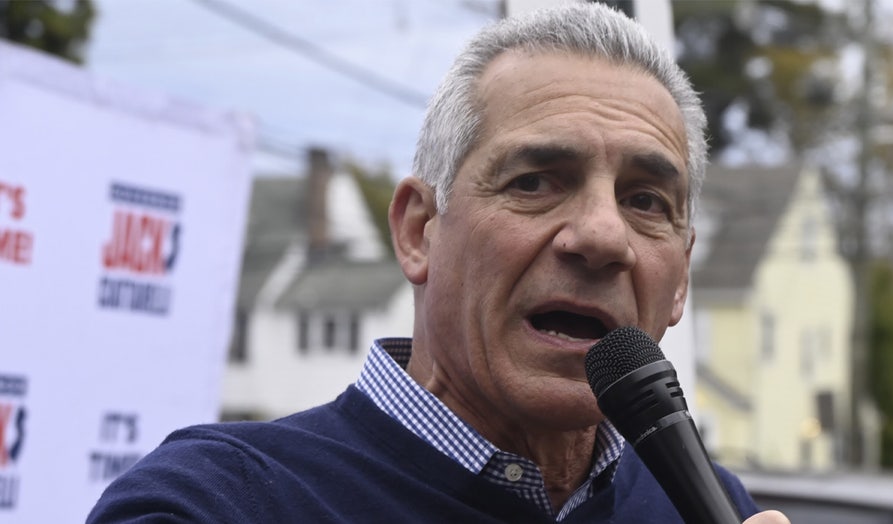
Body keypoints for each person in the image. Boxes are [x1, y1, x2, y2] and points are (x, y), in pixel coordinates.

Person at [88, 4, 790, 523]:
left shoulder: (709, 508)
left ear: (681, 281)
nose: (603, 236)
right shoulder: (216, 503)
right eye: (536, 181)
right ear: (419, 231)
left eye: (644, 200)